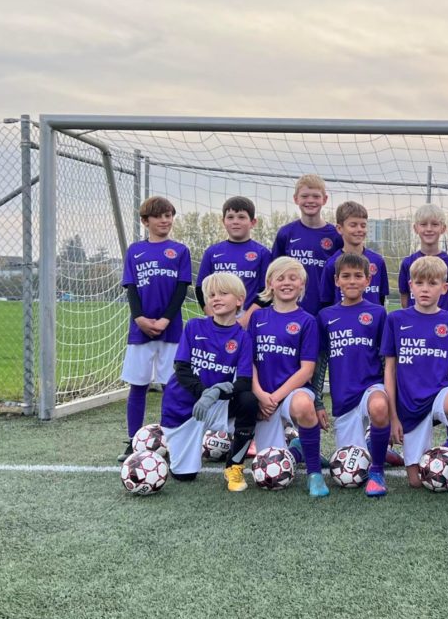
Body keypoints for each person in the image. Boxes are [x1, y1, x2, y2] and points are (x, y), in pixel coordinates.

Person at [381, 255, 448, 505]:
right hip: (409, 404)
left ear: (444, 288)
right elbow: (390, 370)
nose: (425, 289)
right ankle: (437, 456)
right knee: (417, 482)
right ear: (410, 286)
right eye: (419, 283)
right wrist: (393, 417)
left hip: (439, 395)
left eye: (432, 283)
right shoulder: (396, 320)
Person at [159, 273, 257, 488]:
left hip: (215, 404)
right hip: (182, 409)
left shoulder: (243, 337)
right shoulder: (194, 326)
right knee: (185, 476)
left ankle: (234, 467)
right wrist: (204, 392)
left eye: (223, 293)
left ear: (239, 300)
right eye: (211, 295)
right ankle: (162, 439)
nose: (216, 298)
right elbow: (181, 369)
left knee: (249, 401)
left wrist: (216, 392)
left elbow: (244, 381)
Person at [118, 195, 191, 461]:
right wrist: (139, 318)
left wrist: (165, 320)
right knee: (138, 385)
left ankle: (170, 440)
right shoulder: (135, 251)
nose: (164, 220)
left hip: (170, 330)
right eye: (158, 216)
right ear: (145, 221)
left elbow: (181, 289)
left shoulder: (180, 251)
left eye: (168, 215)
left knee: (170, 386)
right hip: (140, 331)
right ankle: (133, 441)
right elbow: (131, 288)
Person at [246, 257, 326, 497]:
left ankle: (314, 474)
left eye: (293, 278)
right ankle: (298, 450)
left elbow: (307, 370)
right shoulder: (258, 317)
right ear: (270, 283)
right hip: (263, 395)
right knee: (272, 470)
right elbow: (248, 360)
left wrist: (275, 398)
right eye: (280, 278)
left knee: (303, 405)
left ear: (302, 285)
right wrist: (259, 394)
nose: (287, 283)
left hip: (290, 393)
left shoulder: (307, 321)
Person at [316, 252, 393, 497]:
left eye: (358, 276)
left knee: (379, 407)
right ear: (336, 280)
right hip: (343, 398)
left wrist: (391, 403)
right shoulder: (325, 316)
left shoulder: (378, 313)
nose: (352, 281)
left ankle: (378, 472)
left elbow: (386, 360)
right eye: (346, 276)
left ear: (368, 280)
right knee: (349, 473)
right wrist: (318, 401)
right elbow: (321, 361)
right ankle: (373, 444)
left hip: (371, 387)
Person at [195, 195, 272, 330]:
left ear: (253, 222)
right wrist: (215, 319)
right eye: (230, 217)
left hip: (249, 320)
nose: (235, 221)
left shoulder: (263, 253)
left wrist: (245, 320)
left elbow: (266, 291)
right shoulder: (212, 252)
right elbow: (200, 288)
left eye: (241, 217)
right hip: (217, 318)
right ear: (223, 221)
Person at [271, 173, 343, 316]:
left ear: (325, 199)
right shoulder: (286, 233)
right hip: (291, 309)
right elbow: (274, 272)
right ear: (296, 199)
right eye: (304, 196)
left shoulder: (335, 235)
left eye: (316, 196)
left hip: (326, 309)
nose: (310, 201)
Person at [318, 200, 389, 310]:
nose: (359, 229)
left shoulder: (378, 261)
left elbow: (381, 298)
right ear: (339, 229)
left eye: (363, 225)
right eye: (353, 225)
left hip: (371, 320)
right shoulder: (332, 264)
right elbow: (326, 302)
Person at [398, 203, 448, 312]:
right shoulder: (407, 263)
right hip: (414, 320)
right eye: (423, 224)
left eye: (435, 224)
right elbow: (404, 296)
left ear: (443, 228)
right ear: (415, 228)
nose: (429, 229)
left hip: (441, 321)